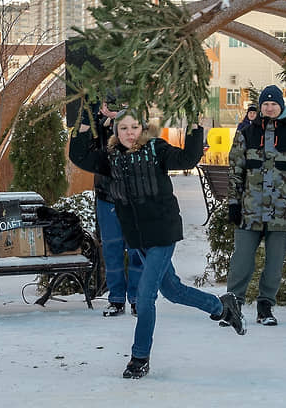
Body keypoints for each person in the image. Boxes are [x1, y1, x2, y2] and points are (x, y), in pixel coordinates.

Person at [69, 108, 245, 379]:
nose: (129, 133)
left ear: (142, 129)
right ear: (116, 132)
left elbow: (188, 157)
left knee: (145, 296)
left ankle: (139, 358)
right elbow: (78, 155)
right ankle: (222, 307)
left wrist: (195, 126)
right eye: (123, 128)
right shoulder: (111, 158)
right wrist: (84, 122)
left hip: (162, 233)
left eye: (134, 128)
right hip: (138, 237)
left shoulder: (156, 150)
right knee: (172, 290)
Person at [227, 85, 286, 326]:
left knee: (274, 264)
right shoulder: (246, 134)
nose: (270, 108)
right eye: (265, 104)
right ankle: (233, 305)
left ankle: (265, 307)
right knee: (241, 261)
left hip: (280, 213)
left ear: (281, 107)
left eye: (274, 104)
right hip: (248, 211)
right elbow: (235, 170)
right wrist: (233, 202)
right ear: (260, 108)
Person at [93, 103, 141, 317]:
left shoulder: (135, 131)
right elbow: (89, 143)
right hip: (107, 198)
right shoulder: (100, 129)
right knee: (112, 250)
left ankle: (138, 298)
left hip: (133, 201)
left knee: (136, 251)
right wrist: (103, 119)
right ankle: (116, 299)